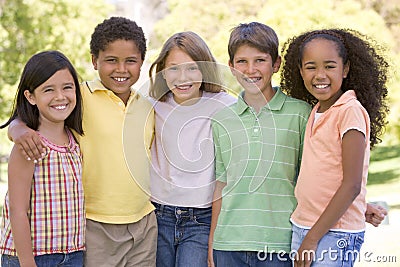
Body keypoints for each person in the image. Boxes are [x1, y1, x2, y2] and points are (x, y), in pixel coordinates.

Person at [7, 17, 157, 266]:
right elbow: (35, 115)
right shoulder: (79, 97)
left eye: (130, 61)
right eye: (111, 60)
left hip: (143, 222)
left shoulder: (147, 107)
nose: (121, 69)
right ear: (94, 61)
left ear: (142, 61)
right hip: (95, 224)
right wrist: (17, 129)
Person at [280, 28, 389, 266]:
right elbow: (325, 175)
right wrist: (361, 207)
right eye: (311, 67)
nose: (320, 75)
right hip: (305, 226)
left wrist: (311, 240)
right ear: (300, 71)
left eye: (329, 66)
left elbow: (351, 185)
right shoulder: (317, 110)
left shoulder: (350, 112)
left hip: (332, 235)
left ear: (345, 69)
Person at [208, 22, 312, 267]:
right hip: (228, 244)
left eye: (260, 60)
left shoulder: (300, 114)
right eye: (242, 61)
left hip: (280, 243)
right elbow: (221, 184)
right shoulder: (222, 120)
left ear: (275, 64)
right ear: (231, 67)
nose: (250, 69)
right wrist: (213, 240)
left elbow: (314, 176)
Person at [148, 31, 236, 267]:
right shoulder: (152, 105)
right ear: (163, 73)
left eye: (192, 68)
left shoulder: (225, 104)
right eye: (174, 68)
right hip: (158, 215)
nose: (182, 77)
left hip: (201, 218)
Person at [0, 50, 85, 266]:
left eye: (67, 87)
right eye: (48, 89)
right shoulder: (28, 144)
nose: (60, 96)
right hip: (32, 256)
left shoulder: (74, 141)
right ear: (30, 97)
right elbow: (18, 212)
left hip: (73, 254)